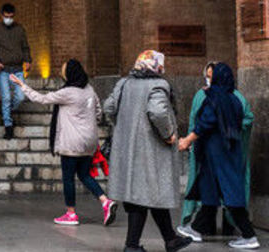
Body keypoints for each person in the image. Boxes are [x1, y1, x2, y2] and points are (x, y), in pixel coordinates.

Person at [103, 50, 192, 252]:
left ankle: (170, 240)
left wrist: (123, 126)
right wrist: (169, 133)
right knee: (146, 193)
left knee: (149, 193)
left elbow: (108, 106)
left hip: (129, 149)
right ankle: (132, 246)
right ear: (156, 66)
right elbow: (158, 111)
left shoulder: (123, 84)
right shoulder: (158, 85)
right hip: (151, 150)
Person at [10, 60, 117, 226]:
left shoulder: (67, 92)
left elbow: (42, 99)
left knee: (68, 178)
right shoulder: (89, 90)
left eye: (64, 69)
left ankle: (71, 214)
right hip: (89, 142)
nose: (62, 72)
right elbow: (98, 112)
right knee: (84, 174)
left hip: (72, 143)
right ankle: (105, 201)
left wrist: (22, 85)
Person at [176, 63, 260, 250]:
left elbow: (206, 122)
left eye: (212, 76)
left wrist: (188, 140)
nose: (209, 79)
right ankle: (196, 228)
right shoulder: (235, 99)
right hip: (228, 152)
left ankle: (249, 235)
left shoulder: (214, 98)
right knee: (210, 192)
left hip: (216, 153)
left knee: (229, 194)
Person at [0, 4, 31, 140]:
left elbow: (25, 46)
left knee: (20, 97)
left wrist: (28, 60)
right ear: (2, 15)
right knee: (6, 97)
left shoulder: (20, 29)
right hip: (3, 70)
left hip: (18, 69)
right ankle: (8, 126)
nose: (9, 19)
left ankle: (7, 112)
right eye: (6, 17)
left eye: (11, 17)